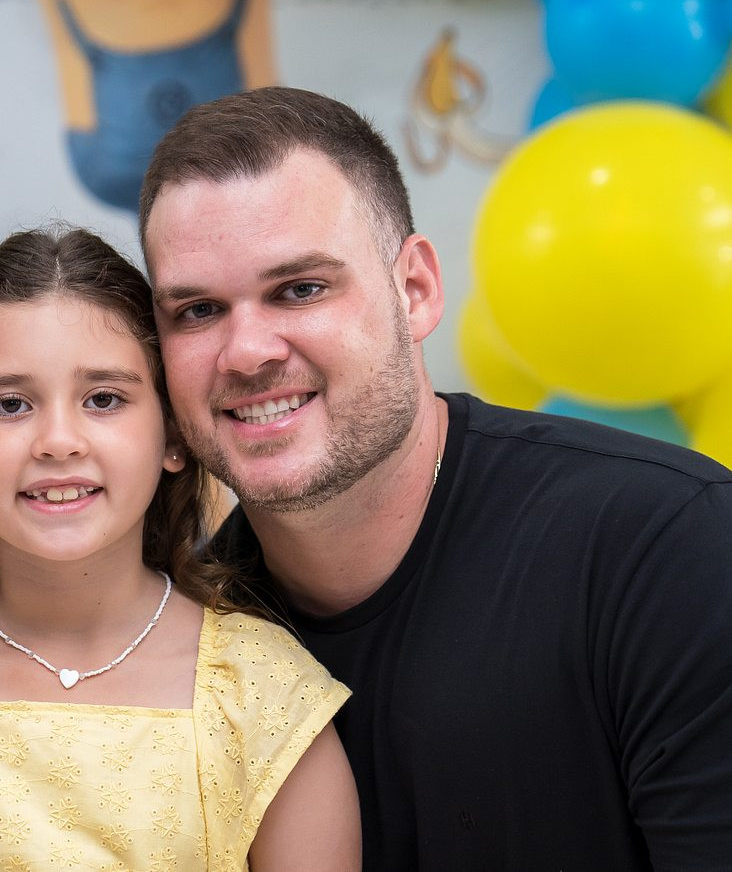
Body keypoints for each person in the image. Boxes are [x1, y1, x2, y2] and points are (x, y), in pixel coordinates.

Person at [137, 85, 732, 869]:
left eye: (301, 290)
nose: (247, 352)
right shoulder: (181, 641)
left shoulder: (669, 548)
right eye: (197, 311)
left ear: (414, 290)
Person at [0, 228, 360, 870]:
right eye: (10, 404)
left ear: (173, 433)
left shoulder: (268, 697)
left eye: (104, 399)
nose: (59, 441)